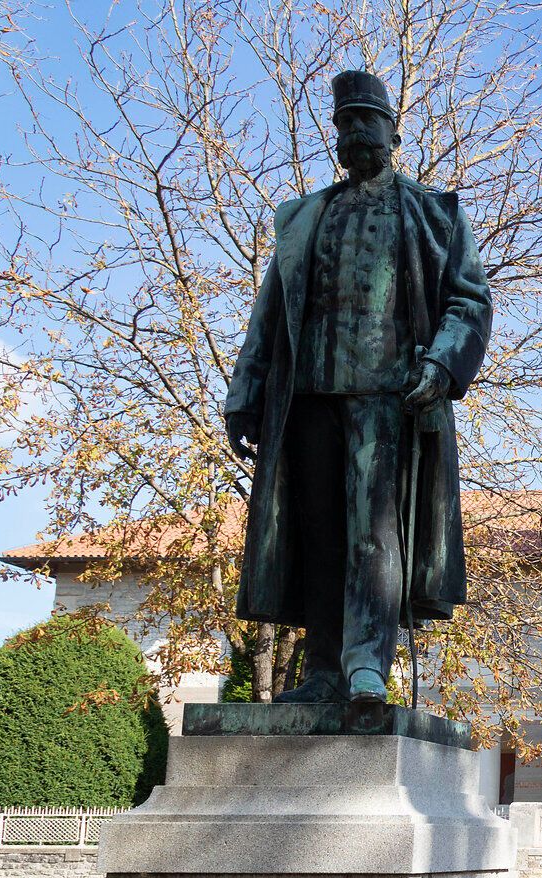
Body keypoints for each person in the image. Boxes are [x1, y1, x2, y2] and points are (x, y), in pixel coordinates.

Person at [224, 69, 492, 704]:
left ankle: (367, 663)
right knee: (316, 530)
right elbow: (269, 313)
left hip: (388, 394)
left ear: (394, 133)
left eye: (366, 121)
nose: (353, 133)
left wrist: (443, 363)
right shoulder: (304, 219)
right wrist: (247, 390)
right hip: (308, 392)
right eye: (343, 124)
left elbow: (470, 300)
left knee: (374, 531)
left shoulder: (433, 214)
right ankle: (320, 672)